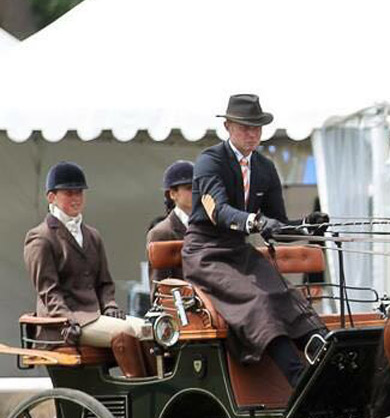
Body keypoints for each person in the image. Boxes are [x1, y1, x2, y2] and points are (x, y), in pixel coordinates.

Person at [182, 93, 328, 387]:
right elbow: (219, 211)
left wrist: (307, 228)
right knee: (259, 299)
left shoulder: (265, 168)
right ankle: (298, 380)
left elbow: (278, 225)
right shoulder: (209, 162)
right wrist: (254, 221)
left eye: (257, 128)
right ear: (227, 127)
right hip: (206, 253)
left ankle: (327, 363)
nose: (252, 134)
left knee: (287, 295)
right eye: (245, 127)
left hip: (239, 251)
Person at [24, 161, 149, 376]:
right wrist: (66, 318)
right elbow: (48, 290)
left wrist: (109, 304)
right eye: (68, 193)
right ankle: (138, 389)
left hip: (96, 315)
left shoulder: (92, 235)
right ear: (51, 197)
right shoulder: (41, 237)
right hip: (62, 324)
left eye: (79, 192)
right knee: (126, 331)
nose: (76, 198)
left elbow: (105, 282)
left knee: (149, 329)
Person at [147, 160, 194, 281]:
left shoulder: (209, 227)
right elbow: (160, 288)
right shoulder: (161, 233)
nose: (196, 192)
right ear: (173, 194)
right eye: (189, 188)